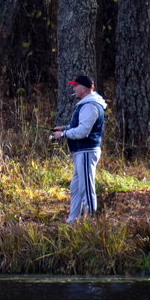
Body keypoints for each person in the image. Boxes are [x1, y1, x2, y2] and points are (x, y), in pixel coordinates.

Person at [51, 74, 107, 221]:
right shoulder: (88, 104)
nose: (74, 88)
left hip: (87, 151)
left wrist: (63, 134)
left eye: (75, 86)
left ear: (83, 88)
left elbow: (83, 131)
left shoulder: (90, 106)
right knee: (75, 188)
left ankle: (91, 222)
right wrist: (64, 128)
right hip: (81, 152)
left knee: (86, 188)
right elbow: (81, 126)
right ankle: (73, 221)